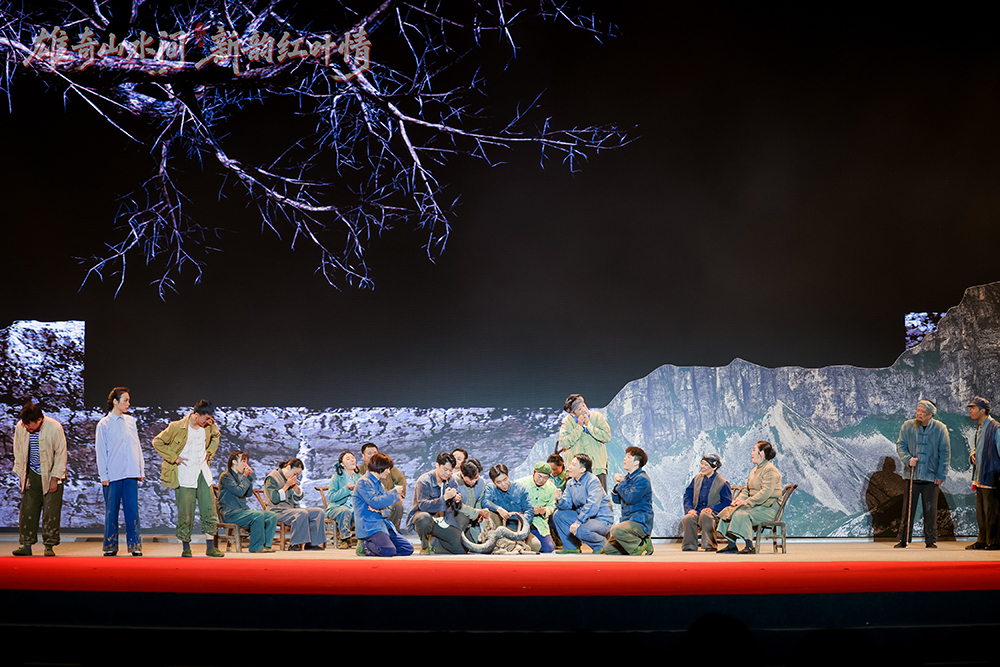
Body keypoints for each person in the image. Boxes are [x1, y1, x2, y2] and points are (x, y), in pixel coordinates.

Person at [152, 399, 225, 558]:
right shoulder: (176, 427)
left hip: (202, 472)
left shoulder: (209, 425)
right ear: (196, 415)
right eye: (206, 418)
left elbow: (216, 436)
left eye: (210, 418)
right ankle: (186, 547)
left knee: (209, 509)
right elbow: (157, 442)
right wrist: (174, 457)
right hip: (185, 474)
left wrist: (210, 451)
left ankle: (211, 547)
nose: (208, 421)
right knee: (186, 511)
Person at [11, 402, 67, 557]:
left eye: (30, 424)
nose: (27, 427)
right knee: (28, 509)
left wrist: (55, 478)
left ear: (40, 419)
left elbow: (61, 453)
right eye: (25, 424)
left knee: (51, 511)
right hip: (31, 473)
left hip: (51, 474)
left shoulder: (54, 427)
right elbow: (18, 450)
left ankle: (49, 546)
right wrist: (22, 475)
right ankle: (26, 545)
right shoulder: (20, 427)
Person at [894, 399, 951, 549]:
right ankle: (903, 539)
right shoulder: (907, 426)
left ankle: (930, 540)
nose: (919, 413)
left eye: (923, 412)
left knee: (930, 509)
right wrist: (908, 459)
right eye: (918, 410)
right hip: (911, 475)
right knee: (908, 508)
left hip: (931, 476)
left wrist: (941, 475)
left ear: (930, 414)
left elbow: (945, 453)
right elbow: (900, 445)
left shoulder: (940, 428)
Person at [95, 386, 144, 557]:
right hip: (113, 474)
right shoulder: (104, 424)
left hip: (131, 472)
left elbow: (137, 445)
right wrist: (104, 475)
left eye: (128, 400)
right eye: (125, 400)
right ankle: (110, 546)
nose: (128, 404)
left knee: (132, 511)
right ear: (115, 402)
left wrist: (140, 469)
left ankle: (135, 545)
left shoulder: (131, 421)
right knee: (111, 512)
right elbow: (101, 451)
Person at [717, 441, 782, 554]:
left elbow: (765, 493)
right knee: (728, 511)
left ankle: (749, 545)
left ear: (762, 453)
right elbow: (747, 490)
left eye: (754, 450)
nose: (752, 453)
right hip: (756, 505)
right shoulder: (754, 470)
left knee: (741, 514)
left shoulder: (770, 470)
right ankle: (731, 545)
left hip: (768, 508)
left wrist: (746, 502)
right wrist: (738, 501)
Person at [552, 453, 614, 553]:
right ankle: (571, 547)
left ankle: (601, 545)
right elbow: (567, 505)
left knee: (581, 529)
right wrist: (560, 499)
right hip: (583, 518)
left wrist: (578, 522)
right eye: (570, 464)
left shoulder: (592, 481)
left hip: (600, 519)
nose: (569, 467)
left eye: (573, 465)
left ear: (582, 469)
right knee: (558, 515)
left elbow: (592, 505)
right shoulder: (570, 482)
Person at [354, 452, 413, 557]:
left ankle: (384, 546)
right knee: (388, 551)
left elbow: (387, 508)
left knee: (407, 549)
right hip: (370, 527)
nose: (389, 472)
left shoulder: (380, 484)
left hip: (382, 525)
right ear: (380, 466)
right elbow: (375, 502)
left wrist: (380, 510)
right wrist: (394, 492)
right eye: (387, 469)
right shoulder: (363, 482)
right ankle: (365, 545)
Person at [217, 450, 277, 553]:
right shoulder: (226, 476)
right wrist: (245, 477)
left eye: (246, 462)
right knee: (258, 515)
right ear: (234, 462)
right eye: (243, 461)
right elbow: (239, 492)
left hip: (242, 512)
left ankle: (266, 545)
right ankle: (256, 547)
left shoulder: (239, 477)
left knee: (271, 515)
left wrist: (248, 478)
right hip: (231, 513)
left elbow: (248, 493)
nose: (245, 464)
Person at [407, 451, 466, 554]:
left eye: (450, 471)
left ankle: (436, 543)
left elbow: (456, 506)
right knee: (423, 517)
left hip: (444, 520)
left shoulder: (451, 480)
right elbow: (423, 506)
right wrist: (444, 498)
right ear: (437, 465)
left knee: (461, 548)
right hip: (426, 519)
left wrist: (457, 501)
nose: (448, 473)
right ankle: (425, 545)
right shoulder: (424, 481)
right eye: (445, 469)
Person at [263, 458, 327, 550]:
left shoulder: (290, 478)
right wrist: (287, 486)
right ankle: (294, 544)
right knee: (300, 513)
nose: (295, 476)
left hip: (289, 510)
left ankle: (312, 544)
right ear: (288, 467)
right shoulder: (272, 478)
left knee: (318, 512)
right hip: (276, 511)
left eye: (297, 475)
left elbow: (298, 497)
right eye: (295, 473)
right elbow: (274, 499)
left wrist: (295, 486)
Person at [605, 446, 654, 555]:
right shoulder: (628, 478)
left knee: (616, 530)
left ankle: (640, 545)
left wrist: (622, 483)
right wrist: (618, 486)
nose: (624, 459)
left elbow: (630, 498)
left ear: (636, 462)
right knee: (609, 550)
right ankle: (644, 541)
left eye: (628, 457)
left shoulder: (642, 479)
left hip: (640, 521)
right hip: (627, 521)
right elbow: (617, 500)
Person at [559, 394, 612, 490]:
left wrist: (589, 426)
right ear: (573, 414)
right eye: (579, 409)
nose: (584, 409)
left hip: (597, 467)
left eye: (584, 405)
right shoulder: (567, 421)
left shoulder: (597, 417)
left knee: (598, 496)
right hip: (576, 470)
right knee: (576, 497)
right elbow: (564, 443)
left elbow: (607, 437)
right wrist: (579, 427)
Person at [483, 463, 540, 552]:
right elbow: (485, 502)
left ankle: (510, 545)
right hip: (499, 529)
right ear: (493, 482)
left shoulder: (520, 489)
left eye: (505, 479)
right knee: (489, 512)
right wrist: (498, 509)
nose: (503, 484)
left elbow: (529, 509)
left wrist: (524, 519)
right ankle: (499, 542)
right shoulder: (491, 488)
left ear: (508, 476)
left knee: (536, 546)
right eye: (499, 482)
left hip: (517, 528)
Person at [967, 397, 1000, 550]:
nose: (971, 411)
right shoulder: (980, 427)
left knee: (991, 511)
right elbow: (977, 447)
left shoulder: (995, 428)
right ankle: (982, 540)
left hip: (991, 476)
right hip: (980, 476)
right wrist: (973, 454)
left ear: (982, 410)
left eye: (973, 408)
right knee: (981, 512)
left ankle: (994, 541)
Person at [681, 453, 732, 552]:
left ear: (714, 467)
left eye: (706, 465)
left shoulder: (722, 483)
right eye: (702, 464)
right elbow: (688, 495)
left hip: (714, 514)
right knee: (688, 518)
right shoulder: (697, 479)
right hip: (698, 511)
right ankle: (689, 546)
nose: (702, 467)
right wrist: (690, 509)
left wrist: (712, 508)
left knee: (705, 515)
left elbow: (727, 503)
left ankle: (709, 545)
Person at [357, 442, 407, 531]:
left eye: (375, 453)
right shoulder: (359, 471)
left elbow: (401, 479)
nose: (372, 455)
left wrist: (399, 494)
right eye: (369, 453)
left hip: (388, 498)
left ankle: (393, 531)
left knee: (398, 506)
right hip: (371, 501)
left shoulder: (386, 466)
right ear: (363, 456)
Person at [516, 462, 557, 553]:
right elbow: (513, 503)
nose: (541, 480)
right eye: (539, 476)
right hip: (522, 522)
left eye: (545, 477)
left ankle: (531, 543)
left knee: (549, 548)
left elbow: (551, 505)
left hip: (539, 524)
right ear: (534, 472)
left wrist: (544, 510)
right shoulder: (520, 484)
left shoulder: (551, 488)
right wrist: (527, 510)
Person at [448, 460, 490, 542]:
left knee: (479, 543)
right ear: (462, 474)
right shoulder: (453, 481)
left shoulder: (481, 483)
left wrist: (479, 515)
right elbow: (457, 506)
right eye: (470, 479)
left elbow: (478, 502)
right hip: (456, 520)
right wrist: (477, 512)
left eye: (476, 477)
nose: (474, 481)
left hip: (472, 524)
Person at [326, 450, 361, 548]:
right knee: (345, 511)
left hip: (354, 507)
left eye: (353, 458)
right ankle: (345, 540)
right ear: (342, 464)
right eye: (348, 458)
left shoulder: (360, 477)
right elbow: (332, 497)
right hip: (337, 507)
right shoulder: (336, 477)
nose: (352, 460)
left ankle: (365, 540)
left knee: (364, 512)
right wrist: (346, 489)